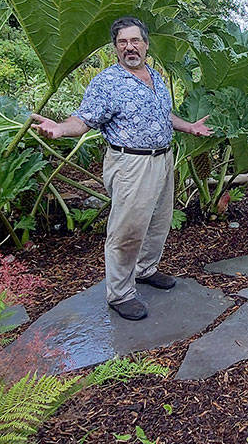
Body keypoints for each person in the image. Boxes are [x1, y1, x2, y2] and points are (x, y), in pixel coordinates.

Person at [30, 16, 212, 321]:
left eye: (135, 40)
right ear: (115, 48)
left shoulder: (154, 77)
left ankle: (144, 270)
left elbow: (165, 116)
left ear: (146, 44)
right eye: (123, 42)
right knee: (127, 231)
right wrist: (61, 129)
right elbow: (84, 119)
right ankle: (120, 294)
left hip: (163, 159)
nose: (130, 47)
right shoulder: (107, 83)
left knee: (158, 223)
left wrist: (189, 127)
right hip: (131, 164)